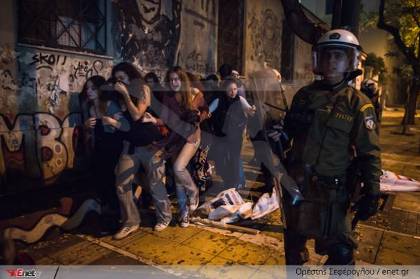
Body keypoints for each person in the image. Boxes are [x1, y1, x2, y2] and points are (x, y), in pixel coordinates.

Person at [279, 29, 381, 265]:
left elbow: (369, 152)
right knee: (293, 251)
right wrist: (283, 131)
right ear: (319, 60)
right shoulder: (304, 96)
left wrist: (372, 191)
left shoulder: (358, 104)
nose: (332, 61)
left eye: (339, 56)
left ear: (350, 61)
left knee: (342, 255)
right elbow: (287, 139)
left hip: (333, 194)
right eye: (327, 56)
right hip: (298, 188)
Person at [111, 62, 172, 239]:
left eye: (122, 78)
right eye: (117, 80)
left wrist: (125, 95)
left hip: (151, 144)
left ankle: (165, 217)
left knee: (156, 183)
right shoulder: (118, 96)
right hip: (130, 145)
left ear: (131, 76)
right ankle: (131, 221)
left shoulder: (143, 88)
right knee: (121, 183)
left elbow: (137, 114)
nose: (120, 83)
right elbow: (127, 120)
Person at [157, 67, 208, 228]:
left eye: (177, 79)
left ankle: (193, 193)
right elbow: (165, 118)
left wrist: (199, 117)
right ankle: (184, 213)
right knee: (179, 178)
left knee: (179, 168)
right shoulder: (168, 96)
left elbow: (205, 110)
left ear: (182, 80)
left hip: (192, 137)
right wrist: (154, 121)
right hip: (175, 139)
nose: (174, 83)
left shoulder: (192, 93)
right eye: (171, 80)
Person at [80, 76, 129, 232]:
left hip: (112, 148)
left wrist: (112, 122)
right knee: (99, 182)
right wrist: (86, 126)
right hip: (99, 149)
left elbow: (125, 127)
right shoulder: (90, 108)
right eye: (87, 88)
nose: (89, 92)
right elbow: (91, 134)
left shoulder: (110, 105)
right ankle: (107, 217)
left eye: (93, 88)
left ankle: (115, 220)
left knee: (110, 183)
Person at [209, 78, 256, 189]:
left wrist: (252, 110)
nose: (233, 92)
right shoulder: (219, 100)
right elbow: (209, 110)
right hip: (221, 136)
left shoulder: (240, 99)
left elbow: (249, 109)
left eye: (235, 89)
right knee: (221, 160)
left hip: (236, 135)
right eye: (230, 90)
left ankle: (238, 183)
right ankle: (231, 181)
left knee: (235, 158)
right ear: (224, 90)